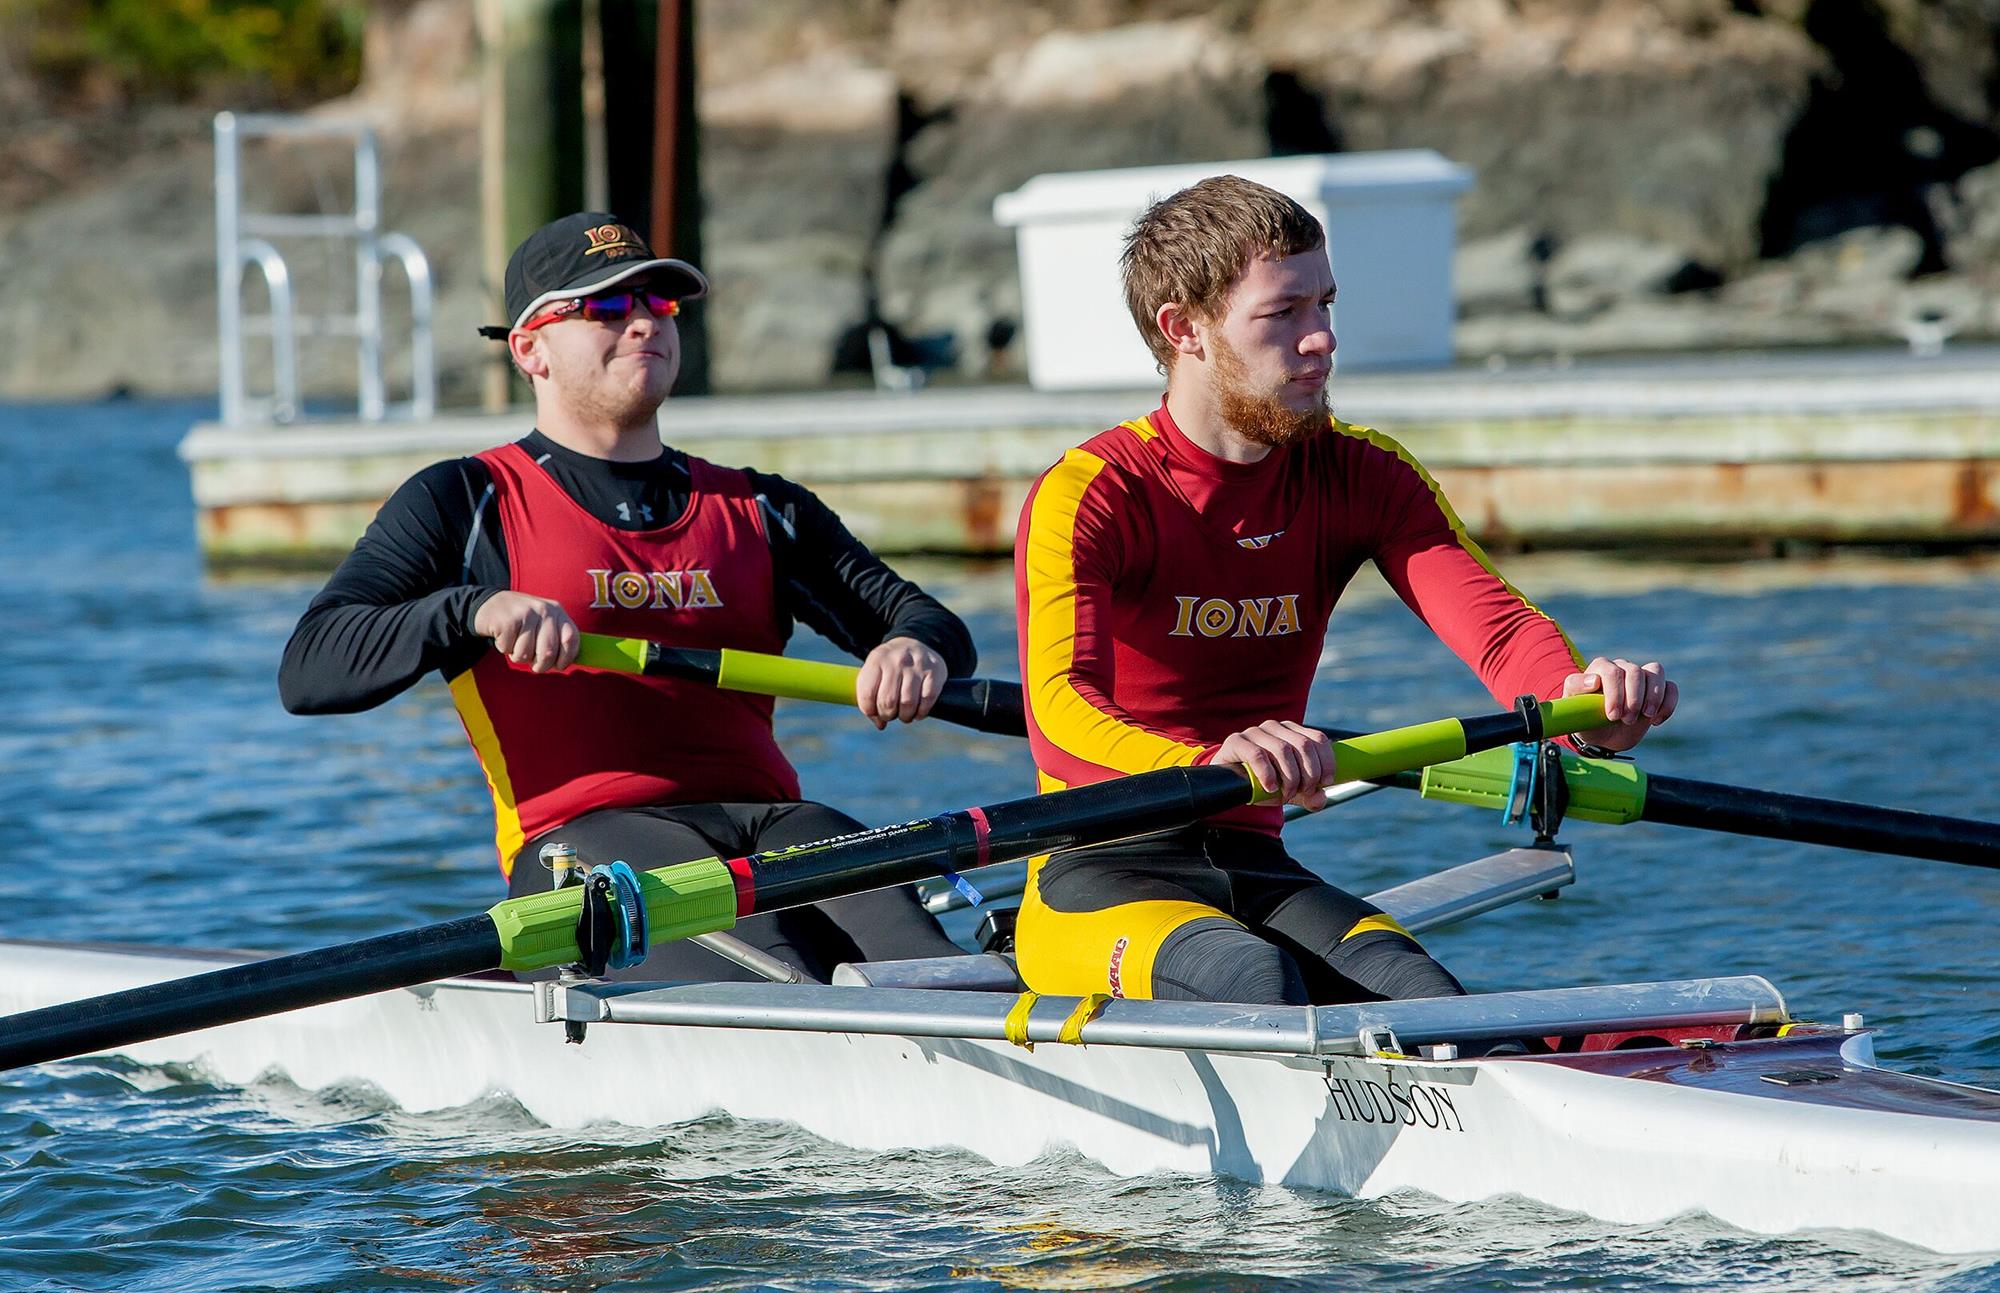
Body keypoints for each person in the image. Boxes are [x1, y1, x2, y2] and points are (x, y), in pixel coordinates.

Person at [1013, 176, 1677, 1006]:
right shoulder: (1096, 493)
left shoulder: (1362, 474)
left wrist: (1583, 707)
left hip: (1258, 861)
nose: (1322, 338)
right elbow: (1058, 710)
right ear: (1184, 329)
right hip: (1098, 871)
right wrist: (1207, 760)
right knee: (1256, 978)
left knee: (1426, 996)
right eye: (1283, 314)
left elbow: (1501, 633)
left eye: (1325, 304)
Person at [281, 211, 972, 982]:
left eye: (659, 304)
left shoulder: (762, 509)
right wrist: (471, 610)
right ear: (529, 348)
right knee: (791, 976)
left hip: (778, 822)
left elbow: (927, 620)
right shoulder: (464, 501)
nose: (643, 322)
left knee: (942, 970)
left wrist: (914, 649)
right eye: (607, 307)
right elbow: (310, 668)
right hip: (581, 846)